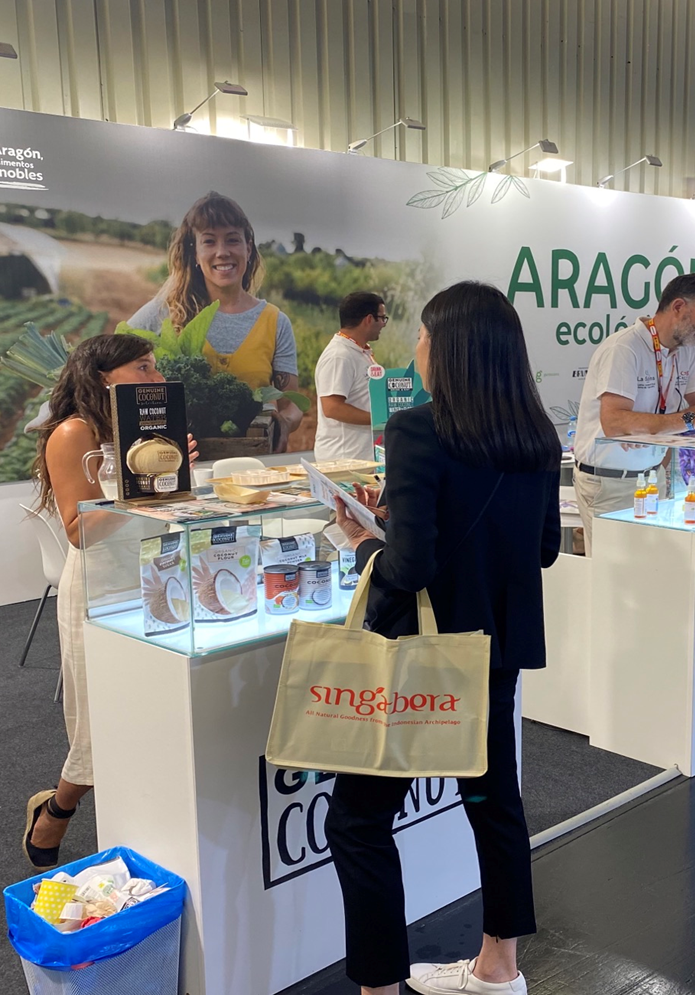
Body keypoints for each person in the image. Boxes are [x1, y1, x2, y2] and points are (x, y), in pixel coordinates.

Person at [327, 282, 561, 996]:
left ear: (449, 348)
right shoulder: (537, 434)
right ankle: (500, 966)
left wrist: (366, 542)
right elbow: (544, 548)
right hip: (495, 651)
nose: (416, 348)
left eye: (424, 335)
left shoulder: (419, 430)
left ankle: (379, 986)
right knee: (494, 803)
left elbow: (412, 567)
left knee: (359, 819)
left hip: (421, 659)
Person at [22, 334, 197, 870]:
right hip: (100, 584)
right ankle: (56, 806)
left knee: (151, 708)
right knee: (99, 720)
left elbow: (162, 506)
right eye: (143, 368)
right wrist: (144, 476)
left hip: (156, 571)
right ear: (104, 377)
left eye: (154, 367)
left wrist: (175, 473)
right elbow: (79, 531)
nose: (156, 378)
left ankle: (148, 829)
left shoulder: (148, 429)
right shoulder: (74, 433)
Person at [569, 273, 695, 552]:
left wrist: (649, 427)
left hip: (654, 477)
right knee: (615, 581)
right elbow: (615, 422)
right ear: (678, 307)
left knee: (653, 571)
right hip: (611, 482)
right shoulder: (625, 348)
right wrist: (689, 419)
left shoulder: (685, 352)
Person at [128, 191, 303, 450]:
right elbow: (111, 365)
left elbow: (292, 404)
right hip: (182, 464)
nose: (222, 252)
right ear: (195, 253)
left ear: (248, 247)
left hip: (254, 468)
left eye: (232, 240)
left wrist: (285, 423)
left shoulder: (275, 322)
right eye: (209, 242)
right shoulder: (165, 312)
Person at [314, 291, 388, 461]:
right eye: (382, 318)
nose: (384, 324)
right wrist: (381, 420)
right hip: (344, 461)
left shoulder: (359, 352)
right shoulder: (339, 355)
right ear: (369, 319)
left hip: (359, 459)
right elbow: (332, 407)